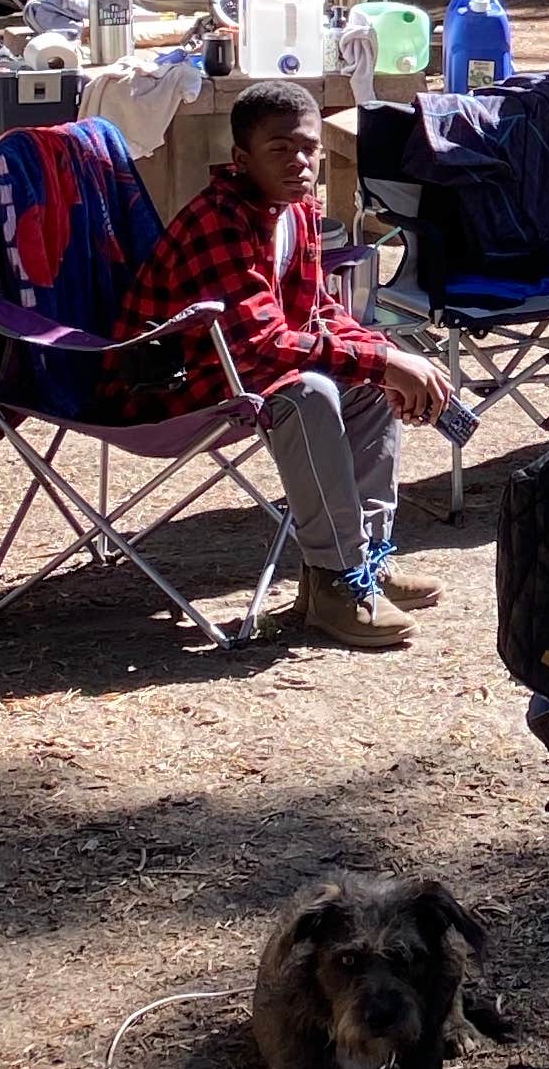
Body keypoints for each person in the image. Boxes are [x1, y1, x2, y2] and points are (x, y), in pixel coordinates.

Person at [99, 77, 455, 650]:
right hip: (168, 383)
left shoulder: (298, 209)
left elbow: (313, 311)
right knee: (308, 393)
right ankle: (338, 582)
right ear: (241, 159)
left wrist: (384, 355)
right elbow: (262, 344)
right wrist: (380, 360)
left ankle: (363, 561)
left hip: (237, 367)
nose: (300, 162)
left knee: (364, 387)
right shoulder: (220, 221)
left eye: (309, 148)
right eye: (280, 149)